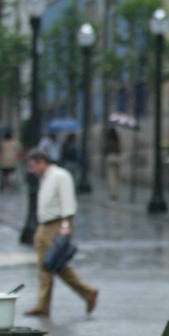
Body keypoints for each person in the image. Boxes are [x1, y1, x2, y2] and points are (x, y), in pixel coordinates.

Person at [23, 148, 99, 318]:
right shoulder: (45, 178)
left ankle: (86, 292)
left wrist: (66, 226)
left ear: (42, 162)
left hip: (56, 224)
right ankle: (44, 303)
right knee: (49, 265)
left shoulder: (60, 176)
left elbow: (68, 202)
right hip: (44, 225)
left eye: (33, 166)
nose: (31, 170)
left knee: (53, 264)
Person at [101, 127, 121, 200]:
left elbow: (105, 150)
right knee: (116, 177)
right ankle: (116, 192)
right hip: (117, 158)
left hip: (110, 158)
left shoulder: (108, 141)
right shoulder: (117, 141)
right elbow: (119, 150)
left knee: (111, 177)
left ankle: (113, 193)